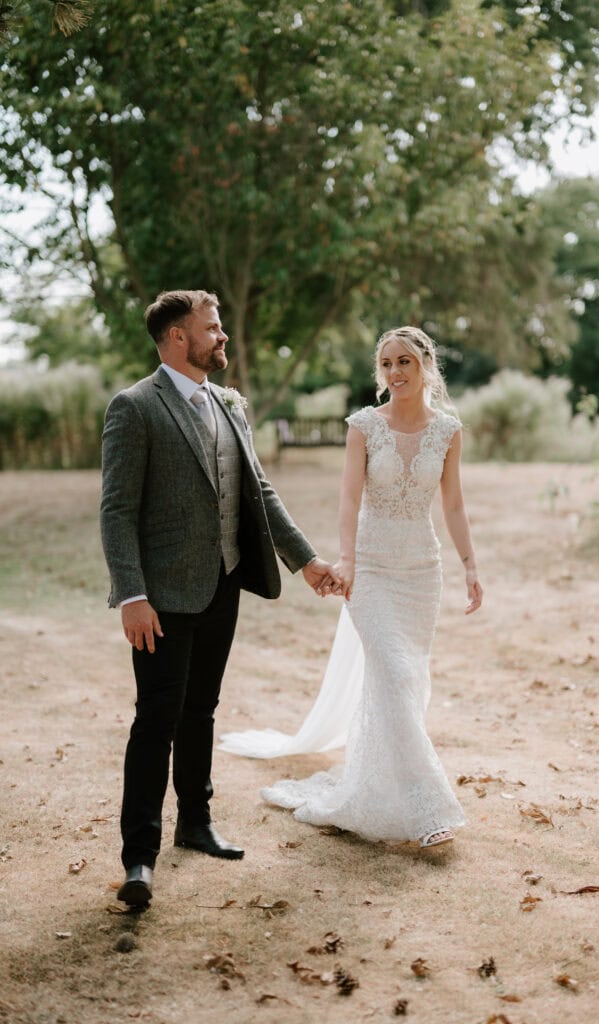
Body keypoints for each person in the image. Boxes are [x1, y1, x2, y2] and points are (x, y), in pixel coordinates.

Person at [100, 289, 341, 907]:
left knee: (201, 711)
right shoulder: (134, 407)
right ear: (179, 337)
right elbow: (118, 510)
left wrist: (307, 561)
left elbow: (259, 491)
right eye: (212, 328)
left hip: (223, 586)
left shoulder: (228, 404)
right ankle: (139, 858)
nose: (222, 336)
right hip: (161, 598)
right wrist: (131, 594)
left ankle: (196, 823)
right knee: (156, 719)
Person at [220, 326, 483, 850]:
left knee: (407, 680)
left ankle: (377, 783)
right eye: (386, 364)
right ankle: (427, 807)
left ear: (425, 366)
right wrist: (347, 561)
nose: (395, 373)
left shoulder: (448, 430)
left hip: (421, 573)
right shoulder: (365, 426)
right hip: (372, 572)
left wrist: (470, 566)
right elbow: (348, 500)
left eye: (405, 361)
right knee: (389, 668)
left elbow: (452, 505)